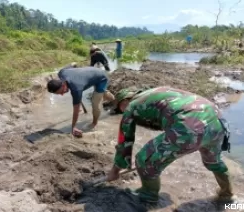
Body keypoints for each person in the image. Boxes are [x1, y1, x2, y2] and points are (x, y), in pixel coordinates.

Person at [106, 86, 234, 203]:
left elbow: (124, 141)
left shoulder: (131, 106)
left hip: (190, 124)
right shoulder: (157, 91)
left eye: (120, 108)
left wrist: (115, 170)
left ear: (124, 101)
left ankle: (148, 195)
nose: (122, 111)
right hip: (217, 121)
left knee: (144, 160)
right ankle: (227, 193)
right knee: (213, 162)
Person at [46, 66, 115, 137]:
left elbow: (76, 110)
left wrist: (73, 127)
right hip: (92, 72)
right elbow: (72, 67)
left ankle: (94, 123)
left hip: (101, 78)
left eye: (62, 92)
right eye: (60, 94)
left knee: (95, 102)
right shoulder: (61, 73)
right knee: (102, 92)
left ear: (63, 84)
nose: (62, 94)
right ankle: (114, 100)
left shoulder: (76, 89)